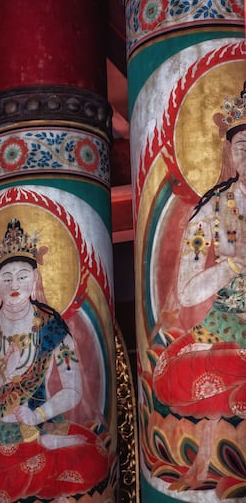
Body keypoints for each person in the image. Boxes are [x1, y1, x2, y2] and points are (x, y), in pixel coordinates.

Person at [151, 83, 246, 491]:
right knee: (179, 374)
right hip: (227, 322)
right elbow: (188, 292)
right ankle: (207, 462)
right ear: (229, 151)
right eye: (243, 145)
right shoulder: (215, 209)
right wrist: (231, 264)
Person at [0, 219, 109, 502]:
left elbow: (73, 391)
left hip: (40, 422)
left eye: (23, 276)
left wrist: (37, 416)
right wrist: (3, 377)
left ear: (35, 279)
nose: (15, 284)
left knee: (94, 458)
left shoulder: (51, 327)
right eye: (7, 277)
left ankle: (48, 441)